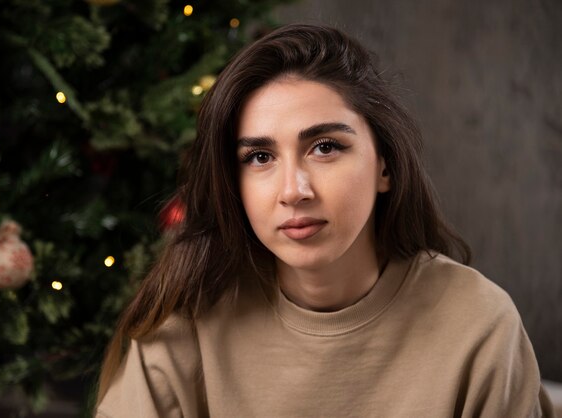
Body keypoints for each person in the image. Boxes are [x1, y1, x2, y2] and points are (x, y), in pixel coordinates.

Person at [95, 24, 554, 417]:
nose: (294, 190)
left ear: (384, 167)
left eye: (326, 147)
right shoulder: (185, 323)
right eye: (259, 157)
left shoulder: (478, 324)